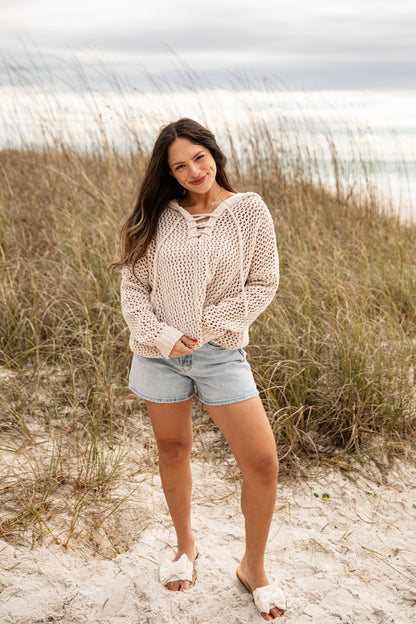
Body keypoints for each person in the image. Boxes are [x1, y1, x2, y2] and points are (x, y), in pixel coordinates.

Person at [113, 118, 286, 621]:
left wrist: (207, 326)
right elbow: (133, 289)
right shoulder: (160, 215)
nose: (193, 171)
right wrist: (165, 336)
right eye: (179, 165)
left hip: (220, 353)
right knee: (173, 448)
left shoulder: (249, 210)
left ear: (215, 152)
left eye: (199, 158)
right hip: (156, 353)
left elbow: (263, 283)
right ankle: (186, 547)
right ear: (168, 172)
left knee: (262, 463)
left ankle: (253, 567)